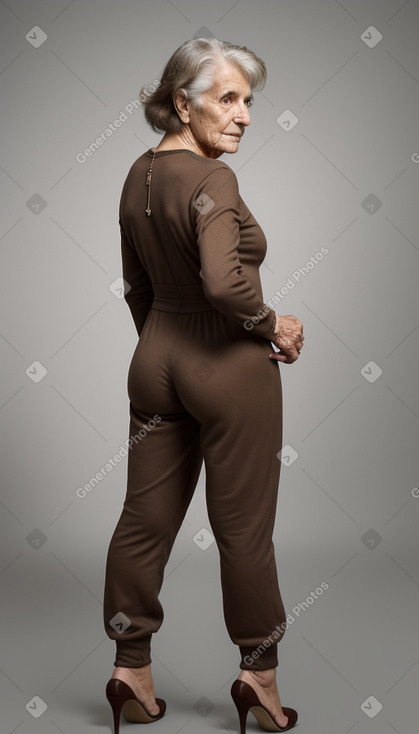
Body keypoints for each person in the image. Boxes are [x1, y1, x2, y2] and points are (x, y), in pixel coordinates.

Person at [103, 37, 304, 734]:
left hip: (155, 359)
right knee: (243, 528)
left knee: (141, 517)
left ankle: (130, 669)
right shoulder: (212, 181)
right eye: (228, 98)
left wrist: (161, 343)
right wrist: (270, 324)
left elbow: (136, 284)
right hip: (226, 367)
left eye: (248, 100)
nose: (245, 114)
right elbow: (223, 281)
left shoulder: (136, 174)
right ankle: (259, 677)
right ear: (181, 102)